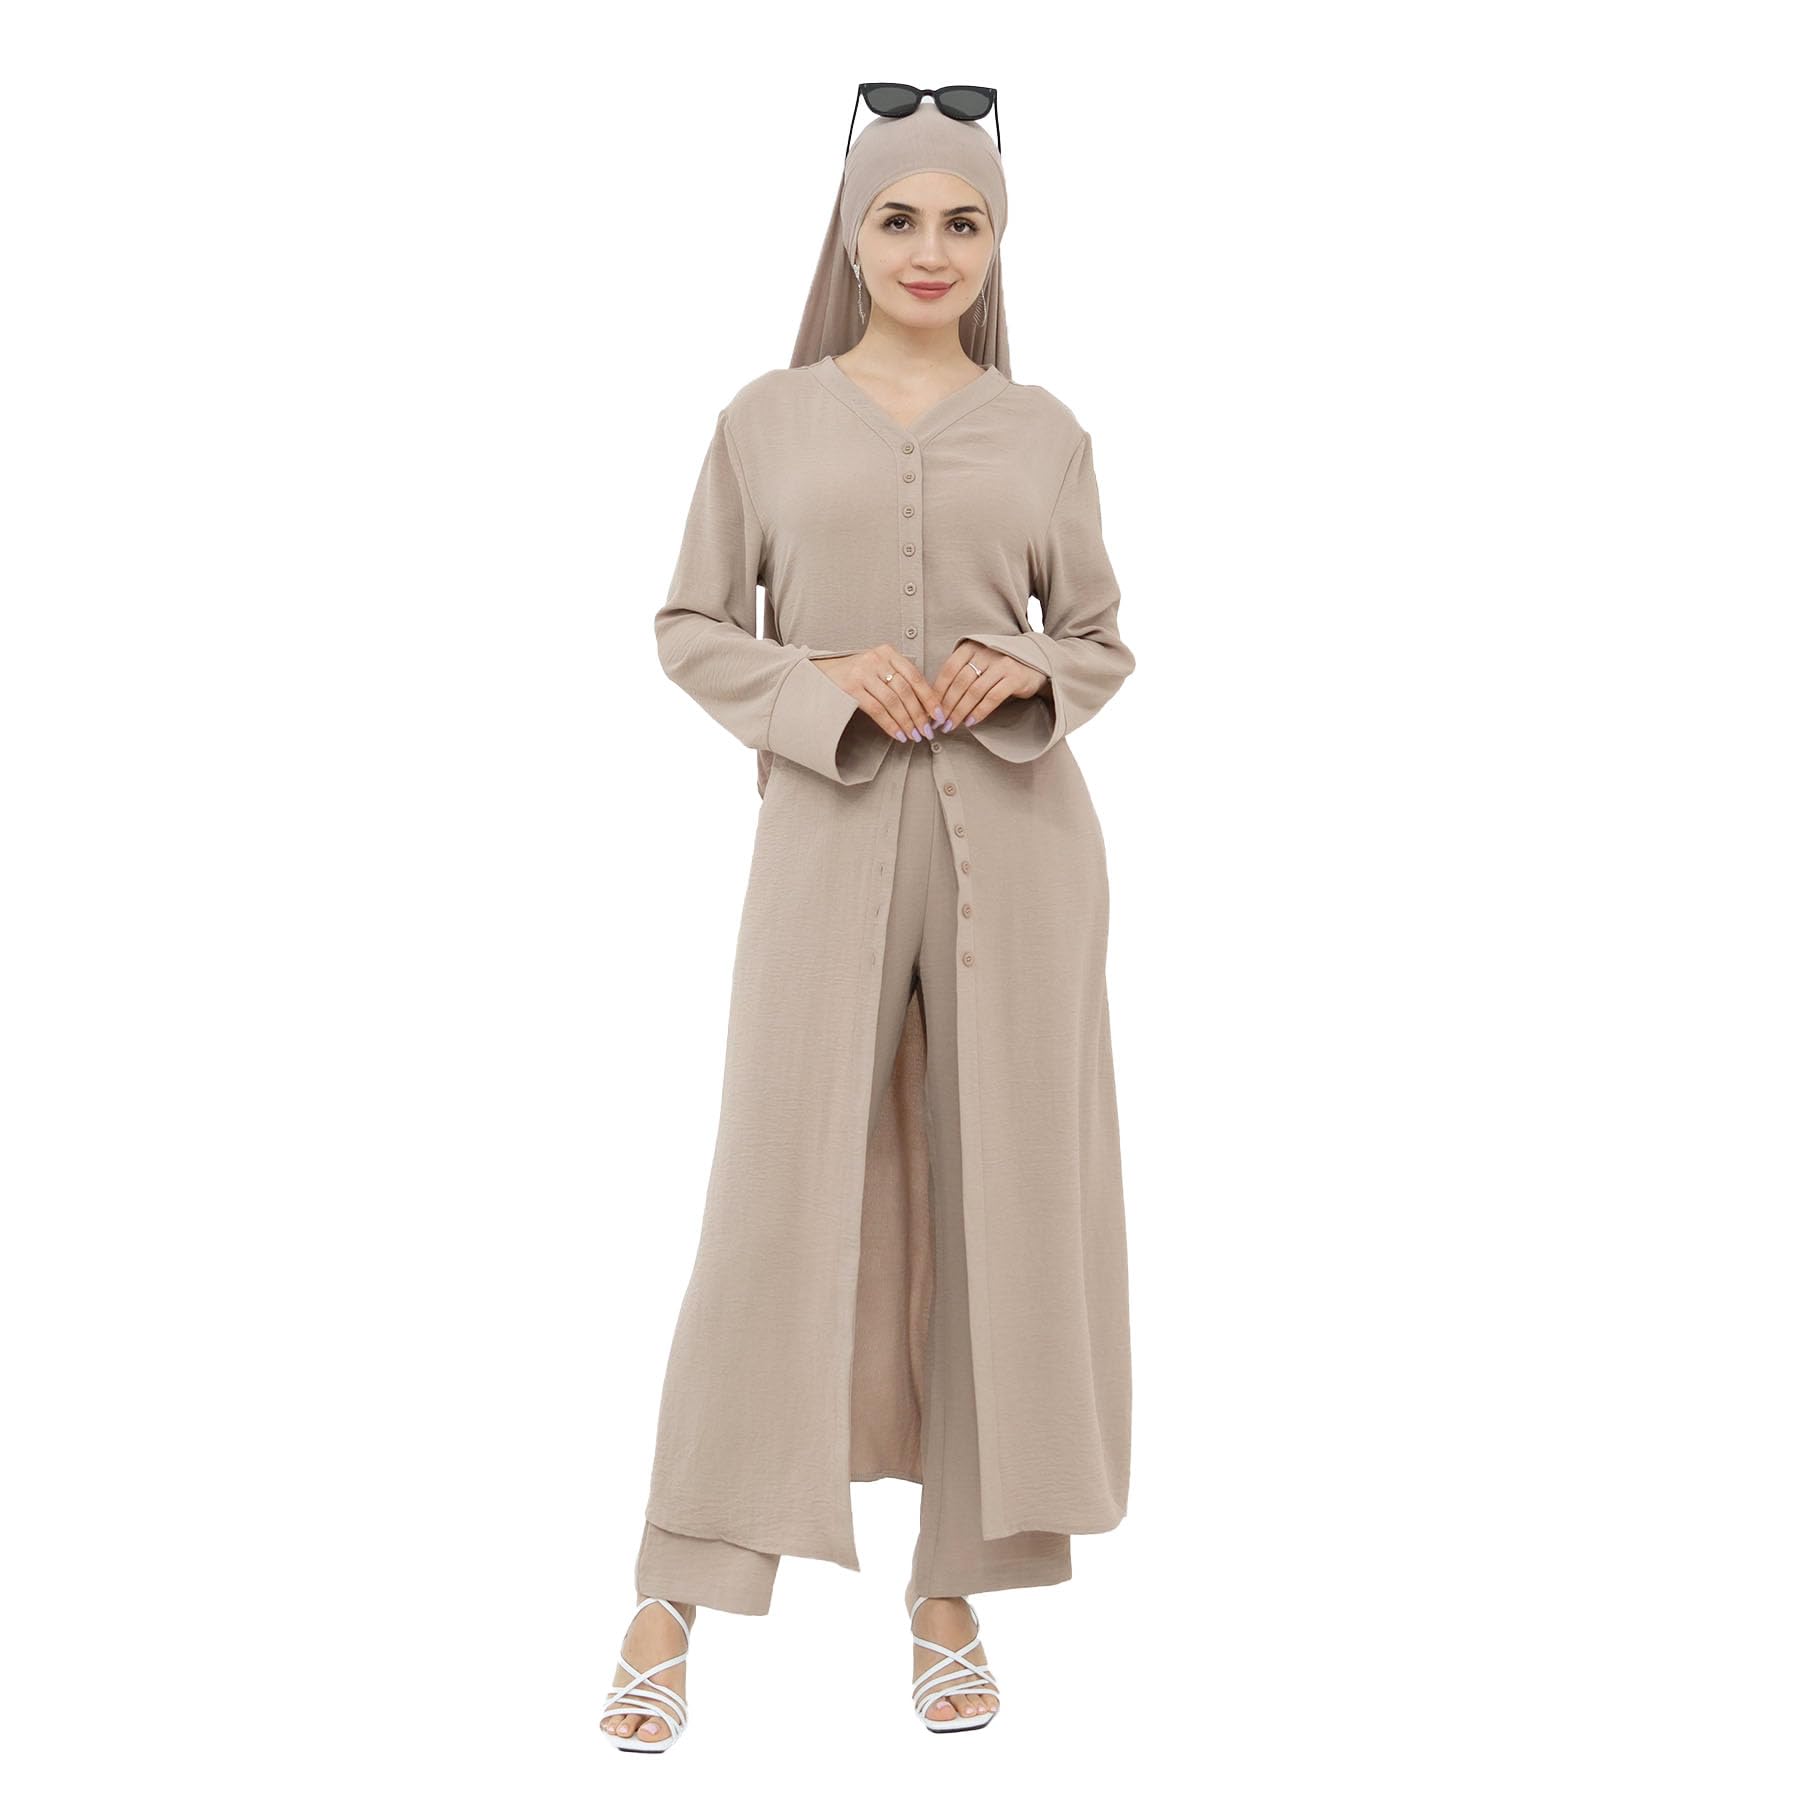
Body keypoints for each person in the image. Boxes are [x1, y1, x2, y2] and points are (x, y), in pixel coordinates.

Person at [602, 89, 1135, 1750]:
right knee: (776, 1198)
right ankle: (673, 1585)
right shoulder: (765, 420)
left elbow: (1101, 636)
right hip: (824, 836)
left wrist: (1021, 665)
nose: (930, 251)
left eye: (963, 222)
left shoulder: (1044, 431)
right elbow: (691, 625)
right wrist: (812, 681)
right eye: (898, 219)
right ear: (850, 236)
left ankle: (955, 1587)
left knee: (1002, 1204)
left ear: (998, 243)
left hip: (1022, 856)